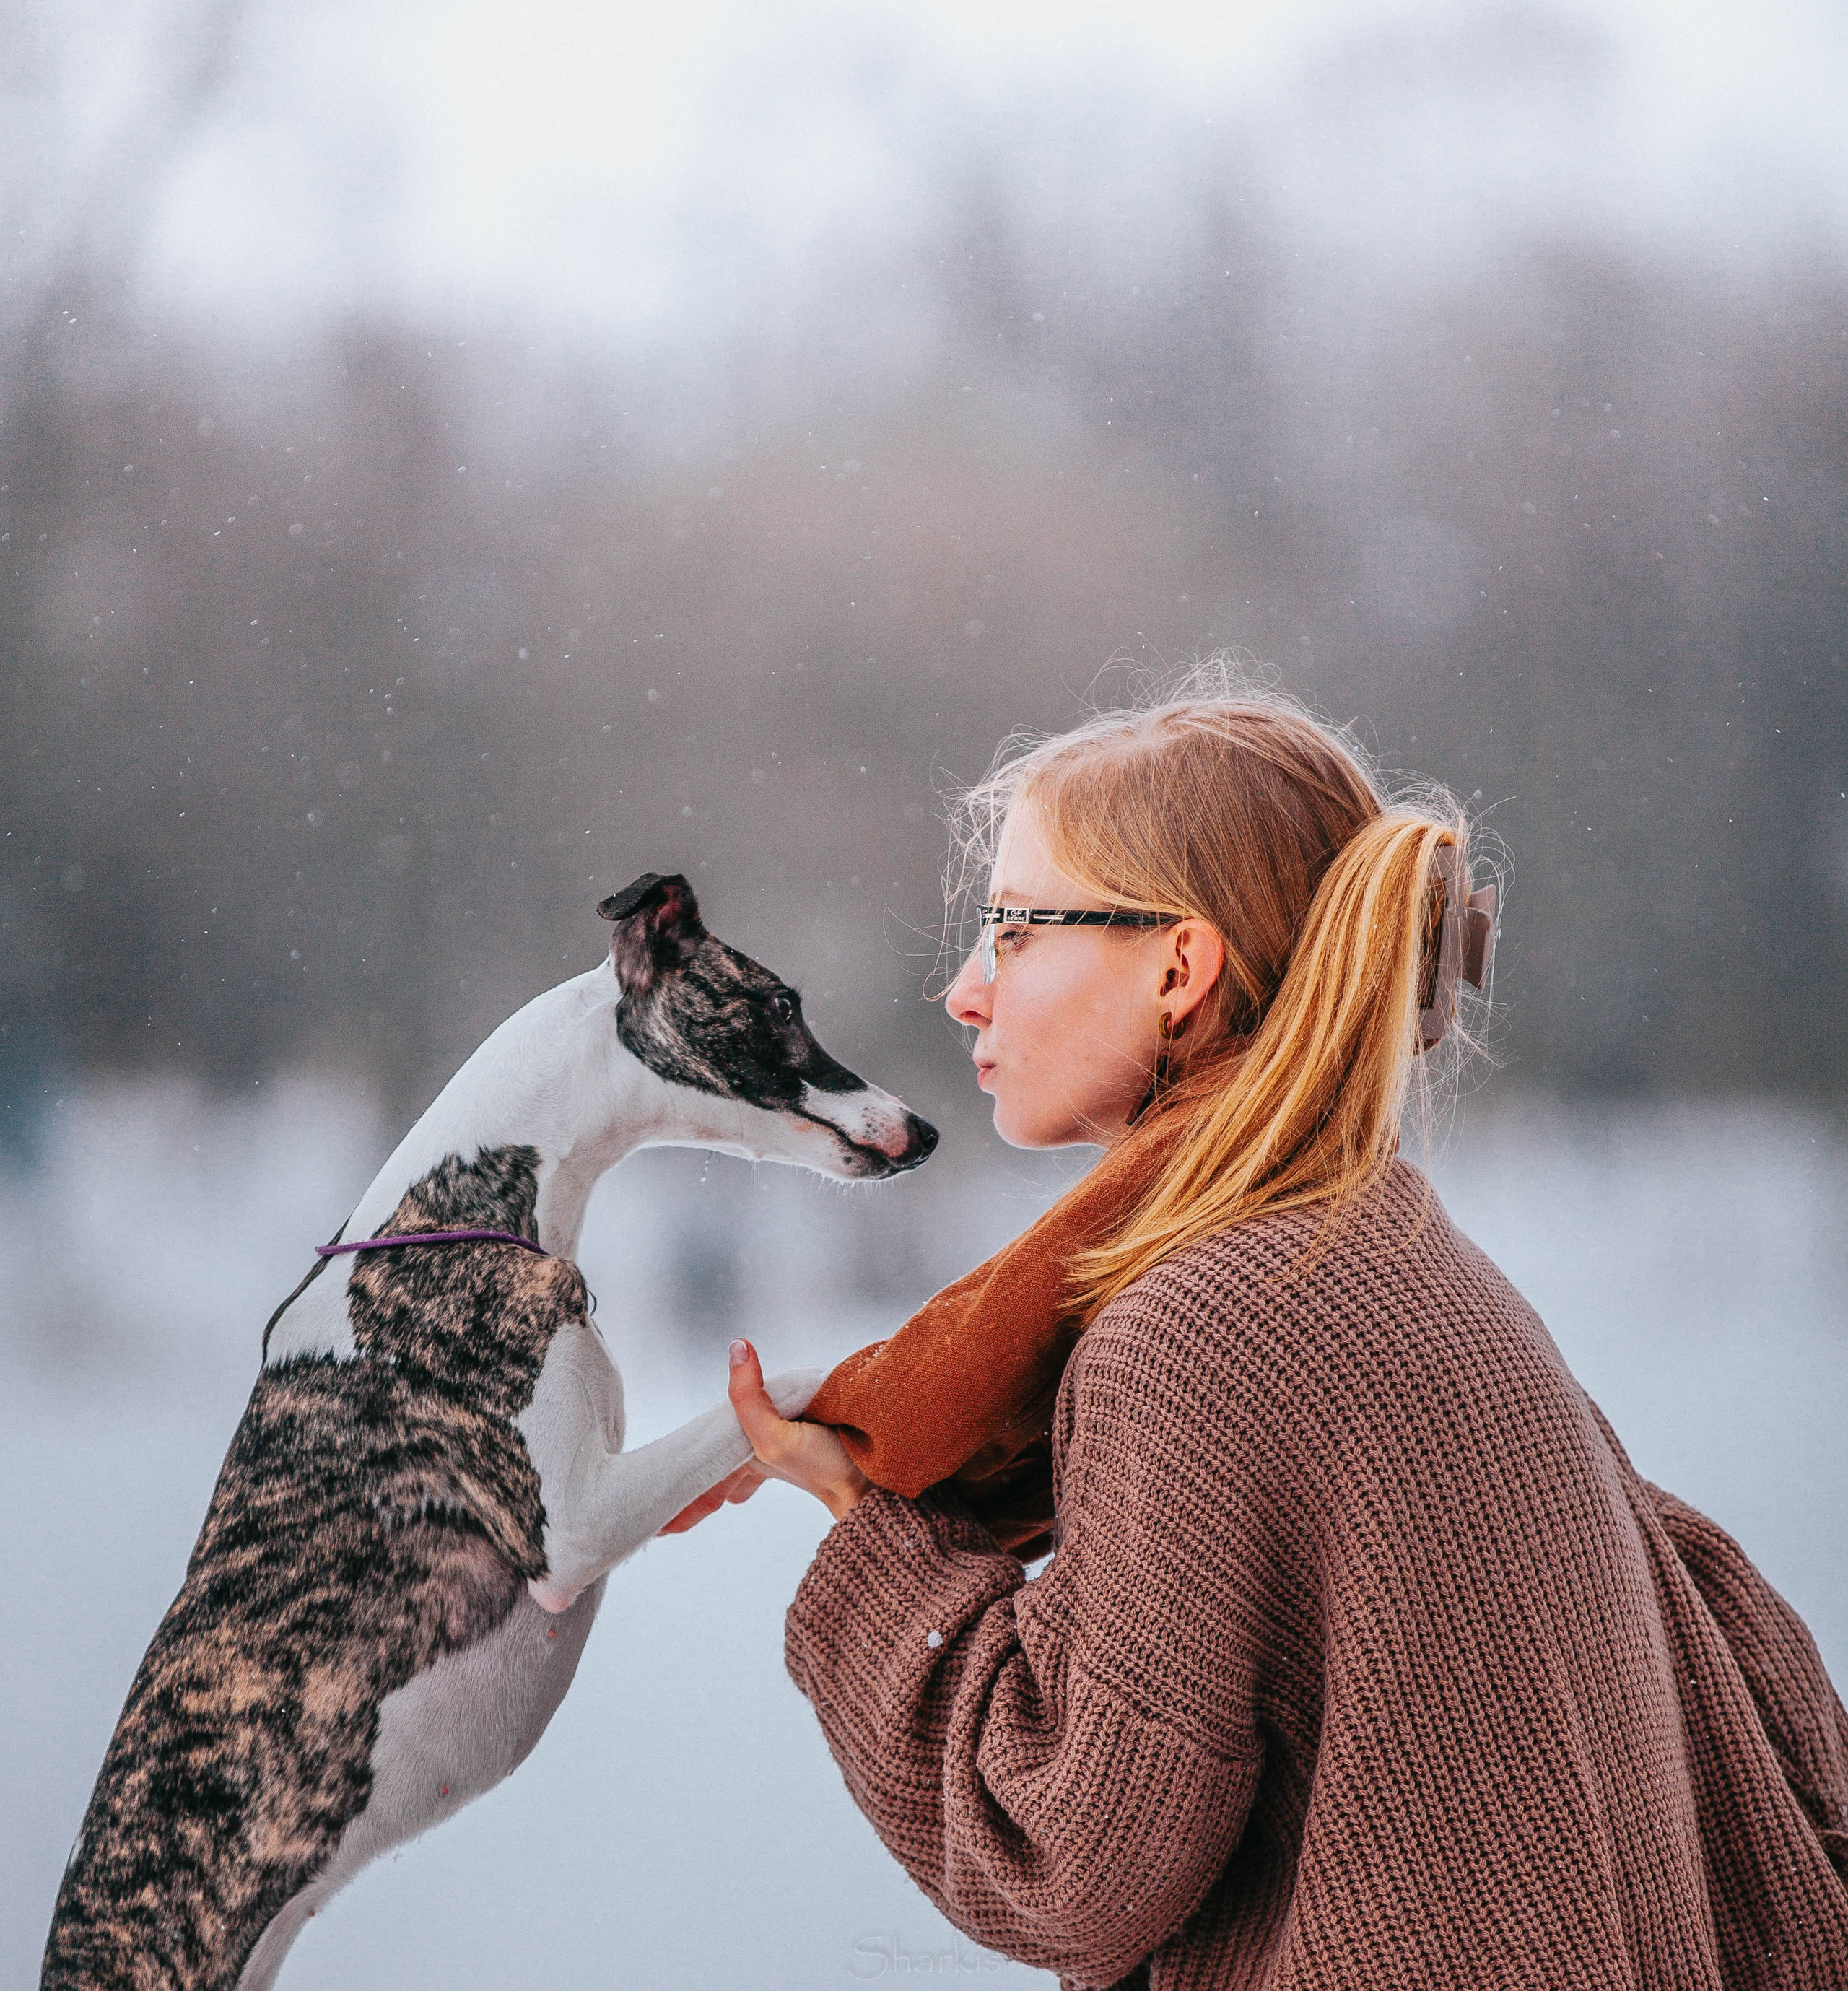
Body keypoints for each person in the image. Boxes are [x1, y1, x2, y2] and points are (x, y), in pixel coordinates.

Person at [667, 674, 1848, 1990]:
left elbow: (1072, 1850)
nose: (964, 991)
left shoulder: (1195, 1336)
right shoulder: (1405, 1260)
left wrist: (876, 1538)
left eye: (1011, 930)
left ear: (1180, 965)